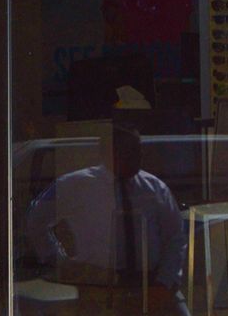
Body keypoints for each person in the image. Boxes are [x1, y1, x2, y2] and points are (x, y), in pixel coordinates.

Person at [27, 123, 188, 314]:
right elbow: (35, 219)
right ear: (108, 153)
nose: (137, 157)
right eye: (129, 151)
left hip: (151, 283)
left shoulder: (155, 188)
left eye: (138, 151)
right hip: (98, 286)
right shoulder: (75, 185)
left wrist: (164, 282)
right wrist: (57, 260)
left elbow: (175, 237)